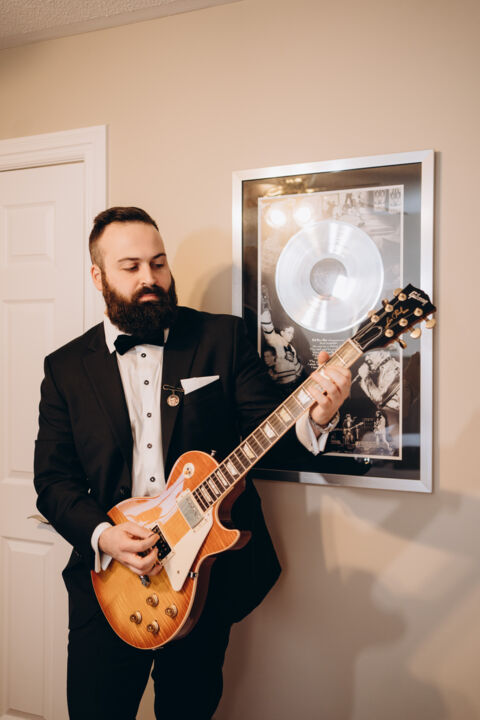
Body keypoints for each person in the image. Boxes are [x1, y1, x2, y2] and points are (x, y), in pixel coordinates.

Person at [34, 207, 351, 720]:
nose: (150, 278)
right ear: (98, 275)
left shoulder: (222, 339)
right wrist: (105, 536)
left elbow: (267, 435)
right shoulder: (65, 368)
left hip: (205, 576)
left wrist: (316, 417)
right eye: (131, 266)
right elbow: (53, 481)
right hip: (107, 583)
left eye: (159, 263)